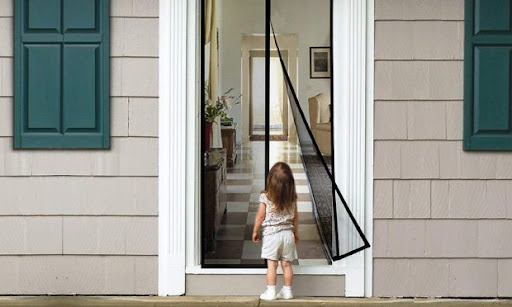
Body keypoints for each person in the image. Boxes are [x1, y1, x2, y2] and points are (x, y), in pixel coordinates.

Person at [252, 162, 299, 300]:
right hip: (288, 235)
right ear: (290, 183)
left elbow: (260, 216)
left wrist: (255, 231)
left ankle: (271, 291)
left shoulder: (265, 197)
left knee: (272, 264)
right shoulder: (292, 199)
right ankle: (288, 291)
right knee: (286, 264)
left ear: (270, 181)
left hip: (272, 235)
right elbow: (295, 217)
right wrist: (296, 233)